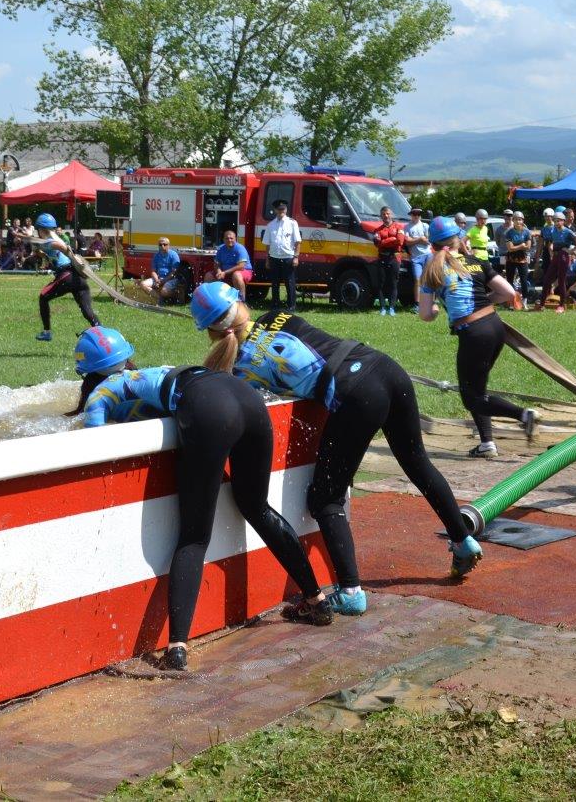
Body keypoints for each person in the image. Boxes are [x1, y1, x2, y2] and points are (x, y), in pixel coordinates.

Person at [191, 282, 488, 614]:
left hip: (355, 393)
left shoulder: (242, 370)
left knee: (325, 499)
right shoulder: (276, 315)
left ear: (211, 334)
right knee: (417, 462)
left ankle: (350, 592)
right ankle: (463, 540)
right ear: (241, 304)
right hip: (384, 367)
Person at [72, 327, 332, 670]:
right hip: (248, 403)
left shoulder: (119, 383)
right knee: (257, 507)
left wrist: (92, 436)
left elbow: (96, 413)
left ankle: (176, 648)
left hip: (210, 412)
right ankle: (317, 600)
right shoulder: (161, 374)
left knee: (194, 537)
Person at [418, 218, 540, 460]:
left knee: (471, 398)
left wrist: (436, 310)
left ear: (432, 245)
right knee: (477, 390)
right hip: (495, 326)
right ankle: (487, 443)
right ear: (459, 240)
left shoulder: (431, 269)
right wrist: (482, 302)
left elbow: (425, 314)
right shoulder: (476, 262)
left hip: (473, 333)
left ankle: (524, 415)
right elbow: (508, 293)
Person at [22, 213, 100, 340]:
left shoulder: (49, 241)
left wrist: (69, 253)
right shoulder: (52, 240)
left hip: (66, 276)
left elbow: (59, 247)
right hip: (78, 279)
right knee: (87, 311)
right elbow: (46, 252)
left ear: (41, 229)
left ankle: (47, 332)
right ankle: (102, 333)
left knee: (43, 297)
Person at [538, 211, 576, 312]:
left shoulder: (568, 231)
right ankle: (542, 304)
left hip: (563, 256)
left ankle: (562, 305)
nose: (556, 222)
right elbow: (551, 242)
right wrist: (551, 251)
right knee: (547, 279)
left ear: (563, 221)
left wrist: (571, 251)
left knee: (561, 280)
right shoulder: (553, 230)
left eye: (559, 221)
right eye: (555, 221)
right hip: (555, 256)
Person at [263, 199, 301, 310]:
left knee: (290, 283)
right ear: (275, 210)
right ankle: (275, 306)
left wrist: (296, 257)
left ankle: (291, 307)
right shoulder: (270, 225)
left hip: (288, 258)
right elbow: (268, 244)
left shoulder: (292, 223)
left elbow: (298, 242)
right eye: (279, 209)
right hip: (274, 258)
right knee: (275, 284)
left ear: (286, 209)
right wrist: (267, 259)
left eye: (283, 209)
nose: (281, 211)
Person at [371, 206, 404, 315]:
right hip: (382, 257)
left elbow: (400, 241)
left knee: (393, 283)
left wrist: (384, 241)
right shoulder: (377, 230)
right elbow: (377, 244)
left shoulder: (399, 227)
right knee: (381, 283)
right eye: (384, 214)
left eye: (388, 213)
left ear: (391, 215)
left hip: (394, 257)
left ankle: (392, 308)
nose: (386, 216)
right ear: (381, 216)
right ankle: (382, 308)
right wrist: (392, 239)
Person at [205, 229, 252, 299]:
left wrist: (224, 272)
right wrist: (219, 271)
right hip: (225, 273)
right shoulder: (221, 249)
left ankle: (241, 300)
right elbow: (217, 264)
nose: (229, 240)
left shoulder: (240, 248)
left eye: (231, 238)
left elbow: (241, 266)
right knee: (208, 276)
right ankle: (211, 299)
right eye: (227, 238)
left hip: (243, 271)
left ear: (235, 239)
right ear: (223, 239)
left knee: (236, 275)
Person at [139, 237, 184, 303]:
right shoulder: (156, 255)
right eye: (160, 245)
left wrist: (164, 281)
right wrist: (157, 280)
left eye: (164, 244)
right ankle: (159, 298)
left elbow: (174, 272)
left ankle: (174, 297)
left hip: (171, 279)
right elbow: (153, 271)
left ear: (168, 245)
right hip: (159, 278)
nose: (162, 246)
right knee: (143, 284)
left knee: (164, 291)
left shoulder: (174, 255)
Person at [404, 208, 430, 308]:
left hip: (427, 255)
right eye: (414, 214)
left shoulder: (425, 225)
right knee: (417, 279)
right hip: (415, 258)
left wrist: (414, 240)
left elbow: (428, 241)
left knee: (428, 279)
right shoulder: (407, 227)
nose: (416, 216)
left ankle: (429, 302)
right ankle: (417, 304)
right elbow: (407, 242)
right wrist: (420, 239)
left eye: (418, 214)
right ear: (411, 215)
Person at [503, 211, 533, 300]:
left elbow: (528, 247)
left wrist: (516, 247)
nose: (518, 222)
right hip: (511, 258)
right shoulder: (509, 232)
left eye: (520, 219)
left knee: (524, 280)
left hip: (523, 258)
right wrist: (521, 246)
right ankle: (510, 299)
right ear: (513, 220)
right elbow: (510, 248)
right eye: (516, 220)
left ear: (523, 220)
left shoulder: (527, 232)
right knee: (510, 280)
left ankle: (525, 300)